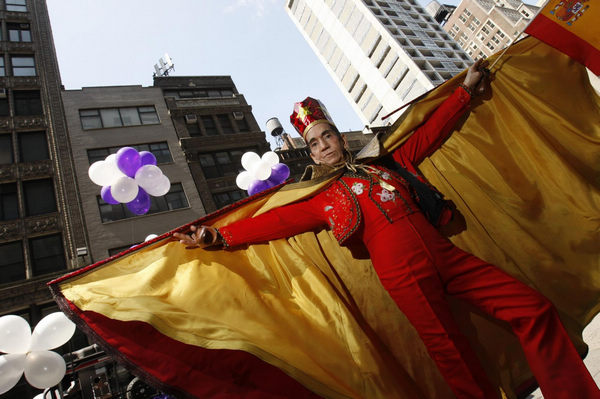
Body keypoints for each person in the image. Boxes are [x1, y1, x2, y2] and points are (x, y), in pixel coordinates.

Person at [174, 60, 599, 399]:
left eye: (327, 136)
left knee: (532, 308)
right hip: (405, 278)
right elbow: (273, 222)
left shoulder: (385, 163)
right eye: (314, 143)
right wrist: (220, 236)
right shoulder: (320, 197)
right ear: (311, 153)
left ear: (339, 137)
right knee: (457, 364)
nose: (323, 145)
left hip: (449, 257)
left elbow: (432, 130)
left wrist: (466, 90)